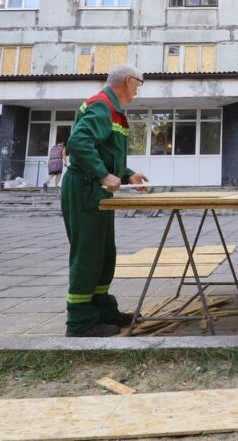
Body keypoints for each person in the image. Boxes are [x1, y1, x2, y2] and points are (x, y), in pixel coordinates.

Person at [61, 64, 149, 338]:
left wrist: (128, 174)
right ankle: (80, 321)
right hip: (85, 188)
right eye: (139, 83)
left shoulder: (114, 110)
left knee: (104, 253)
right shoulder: (102, 105)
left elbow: (105, 152)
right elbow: (78, 143)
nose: (138, 89)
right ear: (127, 80)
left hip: (95, 189)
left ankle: (102, 309)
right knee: (88, 254)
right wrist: (101, 175)